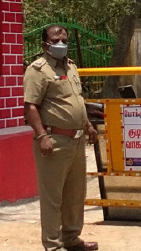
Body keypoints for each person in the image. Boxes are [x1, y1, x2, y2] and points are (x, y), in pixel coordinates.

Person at [24, 25, 99, 251]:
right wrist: (42, 136)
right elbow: (31, 106)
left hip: (76, 142)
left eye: (64, 40)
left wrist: (87, 126)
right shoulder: (38, 70)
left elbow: (75, 99)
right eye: (56, 40)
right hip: (54, 141)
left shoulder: (71, 66)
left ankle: (72, 238)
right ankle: (53, 245)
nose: (61, 44)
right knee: (53, 199)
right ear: (45, 44)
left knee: (75, 196)